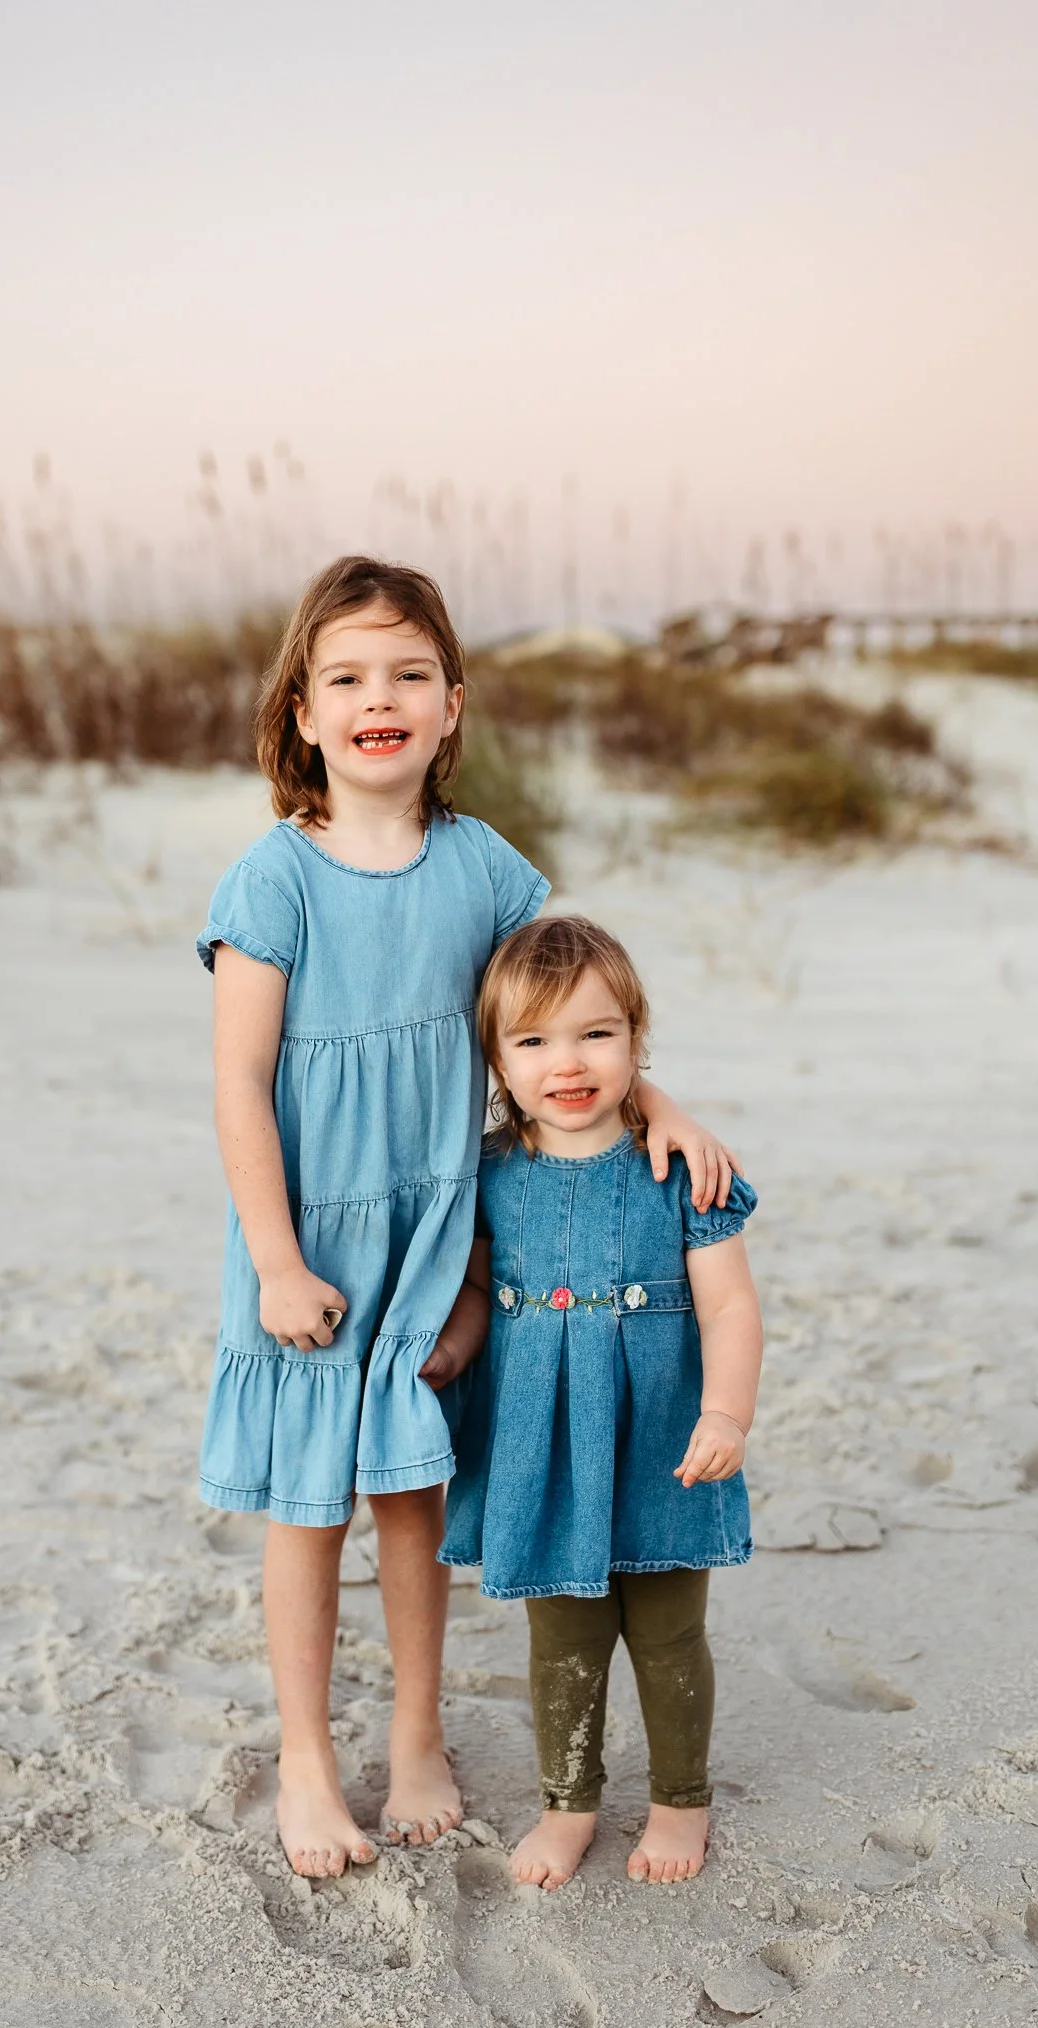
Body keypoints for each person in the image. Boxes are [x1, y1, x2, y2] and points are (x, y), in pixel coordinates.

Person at [196, 556, 742, 1879]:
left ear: (451, 706)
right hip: (316, 1241)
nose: (378, 698)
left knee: (412, 1495)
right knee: (306, 1507)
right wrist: (275, 1259)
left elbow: (560, 1010)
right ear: (302, 714)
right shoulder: (274, 879)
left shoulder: (484, 868)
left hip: (439, 1242)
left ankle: (421, 1732)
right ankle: (309, 1766)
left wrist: (652, 1096)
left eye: (407, 674)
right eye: (346, 678)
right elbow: (239, 1085)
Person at [441, 914, 762, 1890]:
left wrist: (727, 1414)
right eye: (533, 1040)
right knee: (563, 1640)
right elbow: (473, 1284)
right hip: (540, 1442)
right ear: (497, 1057)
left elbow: (731, 1301)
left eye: (596, 1033)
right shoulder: (492, 1170)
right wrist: (452, 1348)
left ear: (636, 1037)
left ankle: (679, 1797)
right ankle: (569, 1801)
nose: (567, 1062)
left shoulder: (682, 1167)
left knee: (668, 1633)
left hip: (662, 1437)